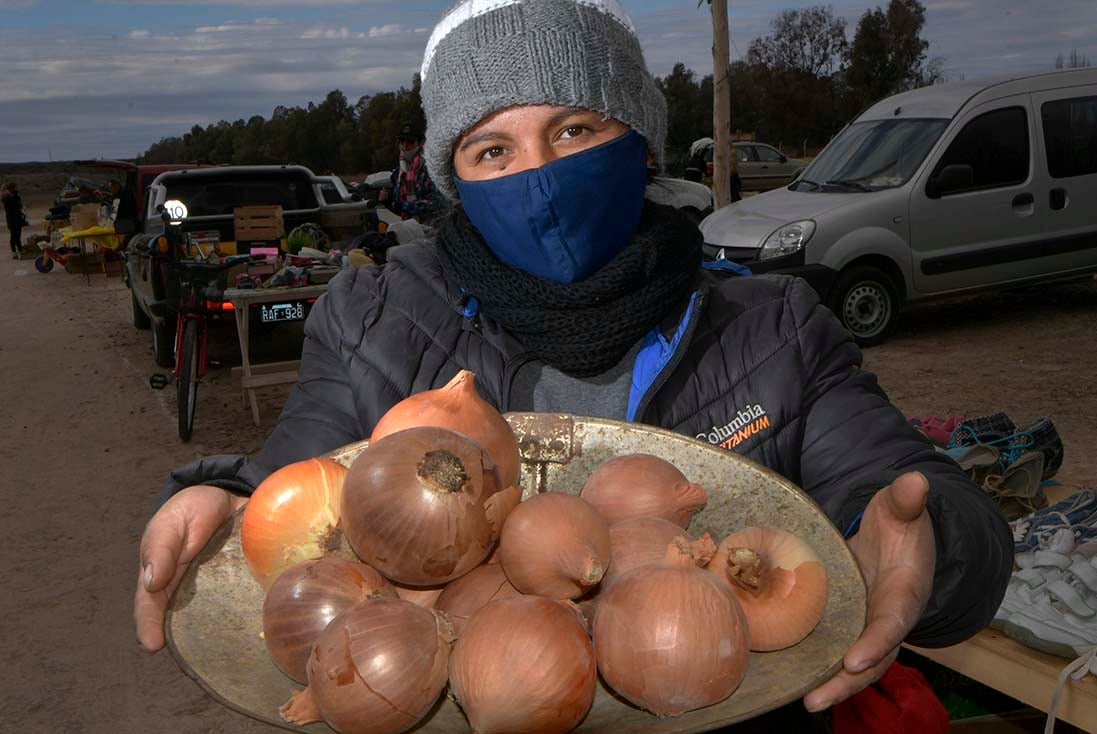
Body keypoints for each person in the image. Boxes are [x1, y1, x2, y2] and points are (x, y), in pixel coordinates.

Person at [134, 0, 1013, 727]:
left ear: (641, 140)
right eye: (492, 150)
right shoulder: (378, 320)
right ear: (453, 177)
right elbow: (312, 479)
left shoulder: (772, 325)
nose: (540, 177)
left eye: (574, 128)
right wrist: (238, 502)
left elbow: (900, 490)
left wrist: (933, 540)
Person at [378, 121, 448, 225]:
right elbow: (397, 202)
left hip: (433, 228)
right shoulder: (398, 173)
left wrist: (404, 206)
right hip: (409, 227)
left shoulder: (431, 169)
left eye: (410, 141)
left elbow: (439, 203)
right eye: (401, 140)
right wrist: (387, 202)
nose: (405, 145)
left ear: (419, 143)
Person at [2, 181, 27, 258]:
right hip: (12, 218)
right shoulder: (7, 197)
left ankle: (19, 249)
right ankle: (14, 251)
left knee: (17, 235)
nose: (17, 188)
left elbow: (19, 204)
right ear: (12, 188)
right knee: (14, 236)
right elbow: (14, 207)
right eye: (16, 187)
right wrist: (19, 207)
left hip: (16, 218)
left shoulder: (15, 195)